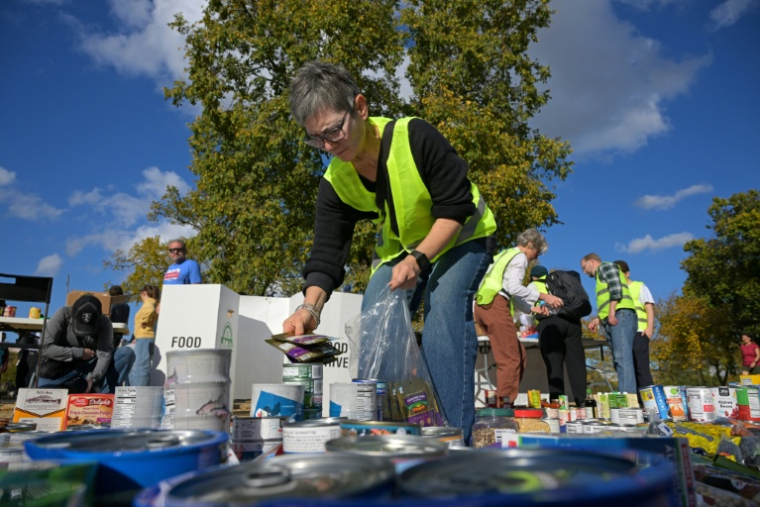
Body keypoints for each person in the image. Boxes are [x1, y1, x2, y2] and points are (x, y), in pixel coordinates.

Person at [282, 61, 498, 442]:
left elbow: (455, 206)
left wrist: (419, 260)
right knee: (375, 324)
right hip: (404, 251)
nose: (329, 146)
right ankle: (380, 434)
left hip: (462, 236)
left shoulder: (414, 136)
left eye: (334, 130)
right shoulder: (335, 180)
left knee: (444, 311)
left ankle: (448, 440)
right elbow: (327, 252)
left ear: (360, 107)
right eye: (317, 139)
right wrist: (308, 309)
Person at [474, 230, 563, 405]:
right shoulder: (520, 257)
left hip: (483, 305)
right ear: (530, 244)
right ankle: (503, 406)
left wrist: (532, 308)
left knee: (520, 354)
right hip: (494, 305)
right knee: (510, 358)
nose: (534, 258)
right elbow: (514, 288)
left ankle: (504, 399)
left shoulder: (504, 254)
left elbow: (508, 291)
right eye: (536, 253)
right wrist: (545, 297)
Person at [38, 295, 135, 393]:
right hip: (61, 369)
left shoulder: (105, 322)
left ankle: (104, 397)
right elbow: (44, 348)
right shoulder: (62, 314)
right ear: (72, 313)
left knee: (126, 353)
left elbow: (104, 354)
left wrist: (93, 378)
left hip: (89, 367)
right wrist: (79, 353)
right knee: (43, 396)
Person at [530, 265, 589, 406]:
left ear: (533, 276)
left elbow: (527, 311)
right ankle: (582, 402)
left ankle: (558, 404)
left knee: (554, 364)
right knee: (577, 363)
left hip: (550, 322)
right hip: (573, 322)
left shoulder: (533, 285)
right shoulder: (560, 282)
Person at [581, 253, 637, 394]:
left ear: (592, 262)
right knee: (619, 359)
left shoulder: (606, 267)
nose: (584, 271)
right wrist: (599, 319)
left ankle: (627, 399)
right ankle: (626, 395)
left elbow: (615, 288)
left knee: (622, 358)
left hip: (620, 314)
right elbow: (607, 298)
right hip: (613, 316)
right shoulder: (600, 276)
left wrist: (612, 310)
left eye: (584, 267)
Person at [614, 260, 655, 390]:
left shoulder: (639, 286)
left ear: (627, 273)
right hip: (624, 334)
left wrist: (649, 329)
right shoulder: (616, 292)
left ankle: (650, 402)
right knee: (628, 368)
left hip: (640, 332)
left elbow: (649, 308)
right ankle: (636, 401)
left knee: (641, 368)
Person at [129, 285, 160, 386]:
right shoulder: (152, 303)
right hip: (144, 337)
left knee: (140, 367)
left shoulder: (149, 303)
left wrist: (144, 320)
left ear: (144, 293)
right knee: (140, 366)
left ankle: (140, 393)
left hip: (144, 337)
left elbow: (150, 310)